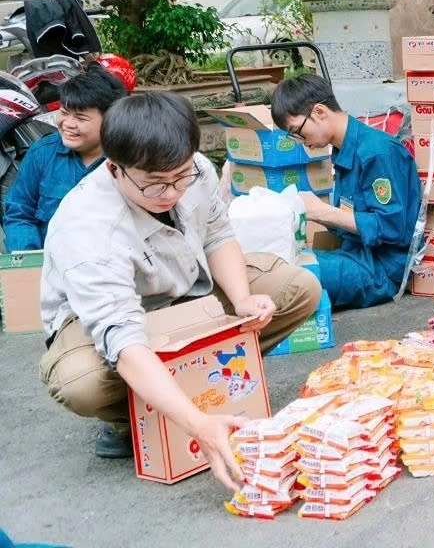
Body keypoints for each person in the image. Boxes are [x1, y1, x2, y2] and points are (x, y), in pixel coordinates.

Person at [38, 92, 320, 490]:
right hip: (109, 320)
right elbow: (122, 337)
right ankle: (141, 417)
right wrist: (199, 426)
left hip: (186, 291)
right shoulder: (88, 228)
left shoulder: (194, 169)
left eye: (180, 177)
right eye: (155, 184)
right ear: (115, 169)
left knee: (298, 288)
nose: (171, 193)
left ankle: (199, 389)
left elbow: (217, 234)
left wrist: (242, 300)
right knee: (81, 382)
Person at [271, 73, 421, 309]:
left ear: (319, 112)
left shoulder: (377, 152)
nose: (300, 140)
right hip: (354, 256)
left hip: (381, 269)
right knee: (273, 264)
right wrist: (313, 211)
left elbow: (393, 228)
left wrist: (322, 212)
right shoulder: (343, 152)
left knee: (287, 277)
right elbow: (351, 221)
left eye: (297, 131)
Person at [3, 63, 128, 250]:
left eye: (80, 118)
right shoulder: (42, 154)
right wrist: (32, 257)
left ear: (111, 120)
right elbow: (19, 214)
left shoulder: (130, 159)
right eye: (64, 112)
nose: (68, 124)